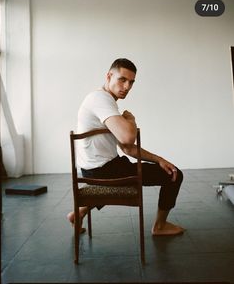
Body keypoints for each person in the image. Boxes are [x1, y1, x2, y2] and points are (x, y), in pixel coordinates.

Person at [67, 58, 184, 236]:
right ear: (109, 76)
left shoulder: (105, 101)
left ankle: (79, 213)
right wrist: (131, 120)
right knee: (174, 175)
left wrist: (159, 160)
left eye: (131, 82)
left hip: (96, 168)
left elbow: (127, 148)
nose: (127, 86)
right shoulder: (100, 99)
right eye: (122, 79)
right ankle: (160, 226)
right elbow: (128, 138)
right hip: (103, 171)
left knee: (128, 167)